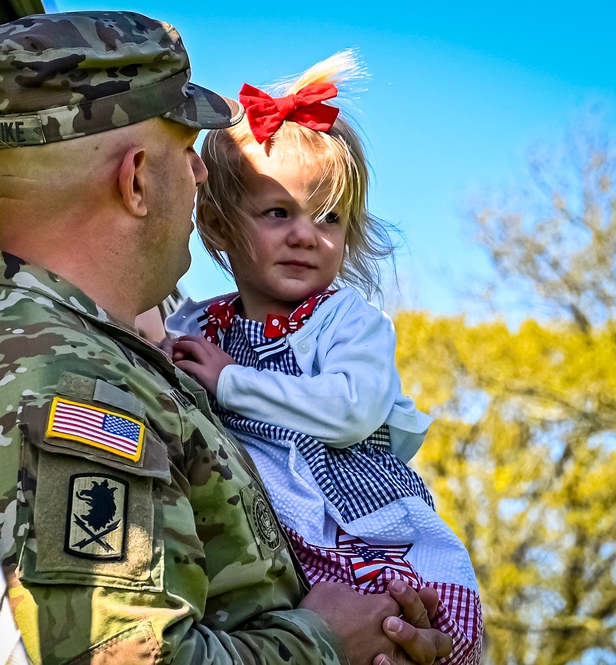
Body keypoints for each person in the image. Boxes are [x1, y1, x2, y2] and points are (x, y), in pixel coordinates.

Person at [0, 11, 453, 665]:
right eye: (185, 150)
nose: (198, 175)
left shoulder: (101, 354)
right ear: (135, 178)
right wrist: (324, 642)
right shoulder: (59, 378)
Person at [163, 53, 483, 664]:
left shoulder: (348, 321)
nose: (306, 234)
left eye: (328, 217)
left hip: (365, 525)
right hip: (278, 536)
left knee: (421, 624)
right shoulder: (200, 323)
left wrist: (232, 381)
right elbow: (158, 357)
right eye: (278, 213)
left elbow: (353, 410)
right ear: (220, 225)